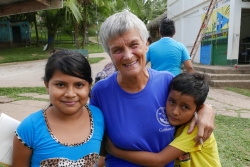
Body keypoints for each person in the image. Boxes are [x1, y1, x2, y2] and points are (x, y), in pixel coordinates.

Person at [90, 10, 215, 167]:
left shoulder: (167, 81)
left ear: (147, 44)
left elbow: (191, 100)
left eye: (134, 44)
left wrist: (206, 109)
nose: (128, 55)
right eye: (117, 50)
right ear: (110, 53)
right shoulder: (101, 92)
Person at [105, 72, 221, 167]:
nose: (175, 111)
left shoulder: (195, 130)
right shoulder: (171, 125)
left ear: (198, 109)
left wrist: (115, 151)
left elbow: (159, 160)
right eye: (172, 101)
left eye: (185, 107)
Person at [12, 50, 104, 167]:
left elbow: (101, 158)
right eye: (60, 85)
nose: (70, 94)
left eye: (79, 85)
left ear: (89, 85)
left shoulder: (98, 117)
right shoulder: (30, 128)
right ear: (46, 85)